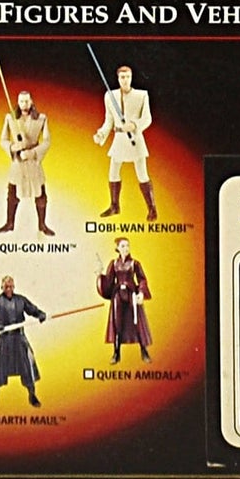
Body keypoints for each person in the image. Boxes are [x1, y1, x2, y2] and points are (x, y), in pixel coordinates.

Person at [93, 63, 156, 220]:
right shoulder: (110, 96)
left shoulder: (141, 95)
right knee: (113, 172)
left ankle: (152, 208)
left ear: (131, 77)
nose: (125, 80)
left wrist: (134, 125)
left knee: (142, 173)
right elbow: (109, 120)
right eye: (122, 77)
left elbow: (147, 118)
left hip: (135, 138)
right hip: (119, 138)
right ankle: (114, 206)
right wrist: (101, 134)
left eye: (128, 77)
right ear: (118, 78)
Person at [0, 276, 47, 409]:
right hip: (4, 339)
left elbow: (33, 310)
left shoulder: (21, 300)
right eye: (6, 287)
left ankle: (32, 394)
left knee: (28, 363)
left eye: (11, 286)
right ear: (2, 287)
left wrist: (40, 314)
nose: (9, 289)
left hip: (19, 338)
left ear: (14, 287)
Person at [0, 89, 53, 235]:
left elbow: (47, 141)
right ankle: (10, 223)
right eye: (21, 101)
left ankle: (42, 225)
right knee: (12, 194)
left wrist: (33, 153)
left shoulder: (41, 119)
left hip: (33, 162)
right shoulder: (10, 118)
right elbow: (3, 140)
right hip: (18, 162)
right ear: (18, 102)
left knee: (41, 195)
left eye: (27, 101)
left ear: (31, 101)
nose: (24, 104)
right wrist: (12, 147)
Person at [97, 238, 153, 363]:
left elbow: (142, 279)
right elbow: (109, 282)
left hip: (131, 293)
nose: (126, 248)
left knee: (137, 322)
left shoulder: (135, 263)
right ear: (118, 248)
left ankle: (144, 351)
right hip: (118, 294)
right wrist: (100, 275)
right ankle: (116, 353)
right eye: (123, 246)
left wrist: (141, 293)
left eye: (127, 245)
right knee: (117, 322)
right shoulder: (114, 264)